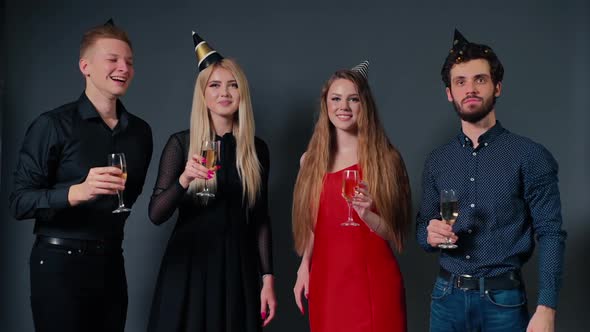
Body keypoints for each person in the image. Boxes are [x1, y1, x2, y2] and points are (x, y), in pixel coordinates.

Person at [416, 29, 567, 332]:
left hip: (504, 302)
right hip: (445, 300)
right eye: (460, 82)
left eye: (479, 80)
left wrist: (547, 307)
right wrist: (429, 235)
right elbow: (422, 228)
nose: (470, 88)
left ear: (497, 87)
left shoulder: (530, 156)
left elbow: (551, 234)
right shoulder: (437, 160)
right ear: (450, 93)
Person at [8, 19, 153, 332]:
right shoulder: (52, 125)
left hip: (112, 263)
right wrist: (77, 192)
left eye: (129, 62)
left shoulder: (141, 133)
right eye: (112, 60)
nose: (123, 68)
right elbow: (19, 202)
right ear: (85, 66)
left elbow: (132, 194)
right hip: (58, 265)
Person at [147, 31, 276, 332]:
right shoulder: (180, 144)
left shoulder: (257, 149)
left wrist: (267, 279)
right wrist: (183, 179)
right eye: (215, 85)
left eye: (232, 85)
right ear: (203, 95)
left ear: (242, 93)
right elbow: (155, 214)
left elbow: (260, 219)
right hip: (189, 265)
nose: (224, 93)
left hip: (236, 267)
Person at [292, 61, 411, 332]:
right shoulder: (309, 162)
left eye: (353, 99)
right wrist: (304, 266)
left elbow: (395, 234)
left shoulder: (386, 160)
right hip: (327, 283)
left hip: (373, 282)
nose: (343, 106)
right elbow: (314, 222)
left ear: (364, 105)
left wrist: (368, 215)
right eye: (336, 98)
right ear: (326, 105)